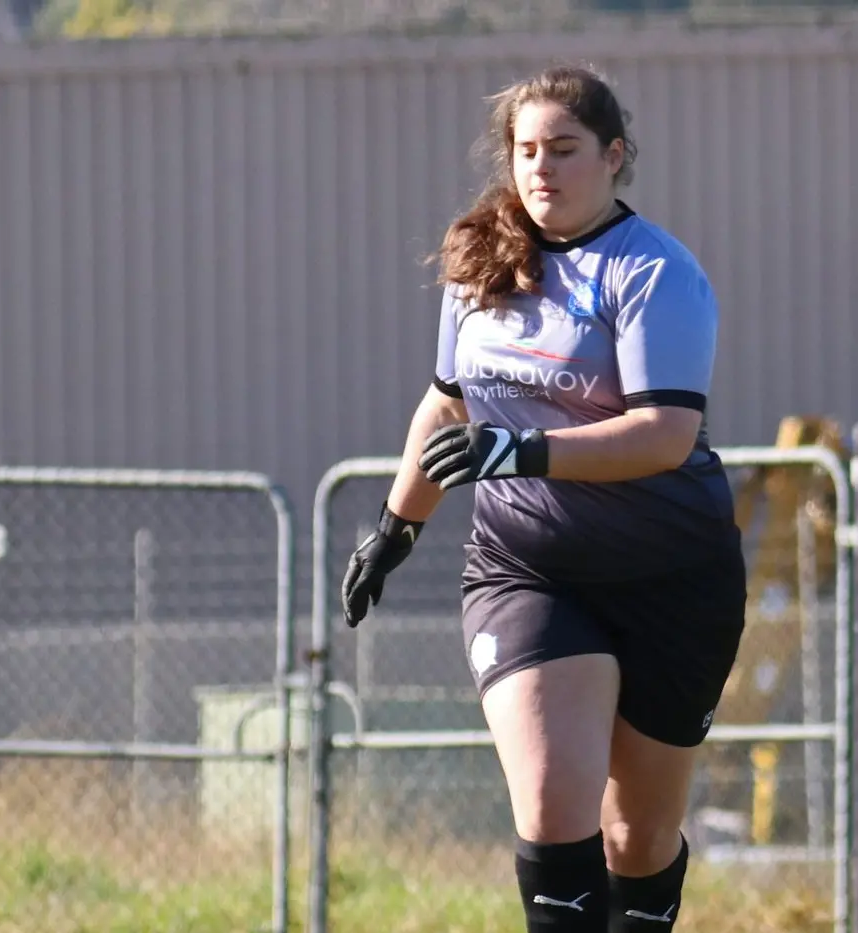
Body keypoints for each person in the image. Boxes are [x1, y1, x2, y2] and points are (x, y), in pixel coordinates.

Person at [340, 63, 748, 933]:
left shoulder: (654, 274)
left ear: (614, 155)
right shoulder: (481, 262)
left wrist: (524, 447)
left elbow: (664, 435)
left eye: (564, 150)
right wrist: (393, 527)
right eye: (526, 151)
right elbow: (447, 405)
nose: (541, 169)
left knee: (635, 838)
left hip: (673, 576)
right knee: (555, 808)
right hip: (529, 570)